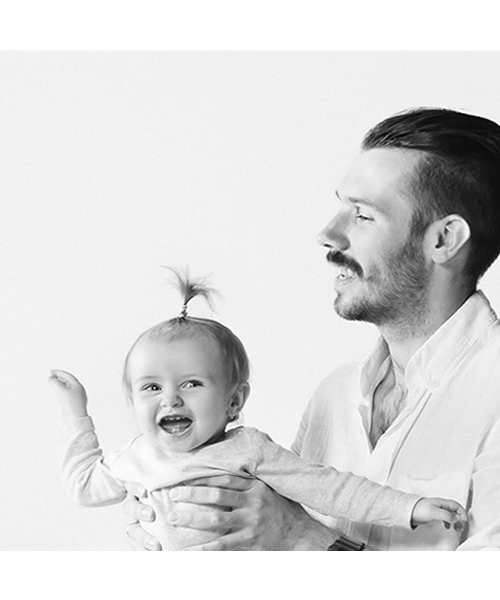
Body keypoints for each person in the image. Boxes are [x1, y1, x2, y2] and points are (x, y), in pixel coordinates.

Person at [124, 107, 500, 551]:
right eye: (342, 207)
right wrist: (180, 521)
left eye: (362, 215)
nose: (328, 234)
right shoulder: (334, 396)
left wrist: (301, 536)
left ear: (444, 239)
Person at [50, 271, 465, 550]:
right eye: (151, 387)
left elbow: (331, 489)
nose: (170, 399)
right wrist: (75, 414)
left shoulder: (248, 451)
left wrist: (409, 508)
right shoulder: (136, 457)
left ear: (234, 401)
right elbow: (85, 486)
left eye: (191, 384)